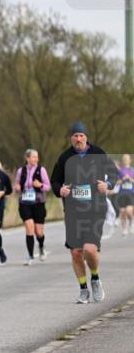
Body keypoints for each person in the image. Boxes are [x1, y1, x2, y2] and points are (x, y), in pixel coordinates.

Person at [50, 122, 117, 304]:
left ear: (86, 137)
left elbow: (114, 174)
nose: (78, 139)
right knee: (76, 253)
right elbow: (54, 181)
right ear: (70, 138)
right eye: (75, 136)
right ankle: (83, 289)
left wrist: (107, 184)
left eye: (81, 135)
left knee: (89, 249)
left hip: (95, 209)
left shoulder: (98, 153)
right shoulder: (64, 158)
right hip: (73, 211)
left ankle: (95, 278)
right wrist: (60, 190)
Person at [14, 149, 51, 265]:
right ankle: (30, 256)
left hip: (38, 203)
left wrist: (40, 185)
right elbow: (16, 184)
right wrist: (17, 187)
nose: (36, 159)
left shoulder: (42, 170)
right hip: (25, 203)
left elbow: (48, 186)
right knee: (29, 228)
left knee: (39, 232)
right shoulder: (21, 171)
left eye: (37, 157)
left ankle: (41, 246)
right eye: (34, 157)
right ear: (27, 158)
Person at [114, 153, 134, 236]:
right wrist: (123, 179)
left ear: (130, 160)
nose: (126, 160)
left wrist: (130, 179)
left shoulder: (132, 170)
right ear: (123, 160)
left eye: (127, 159)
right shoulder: (120, 171)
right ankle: (124, 229)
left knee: (129, 211)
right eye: (124, 159)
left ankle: (131, 222)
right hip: (121, 194)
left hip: (130, 193)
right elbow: (116, 182)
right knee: (122, 211)